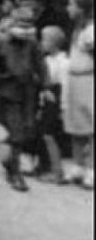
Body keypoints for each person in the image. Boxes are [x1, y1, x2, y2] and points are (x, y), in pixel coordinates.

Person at [0, 0, 42, 191]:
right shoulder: (1, 43)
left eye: (28, 25)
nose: (24, 30)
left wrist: (46, 87)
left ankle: (12, 165)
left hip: (27, 92)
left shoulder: (32, 44)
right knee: (13, 133)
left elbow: (40, 65)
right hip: (6, 93)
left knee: (25, 131)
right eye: (20, 25)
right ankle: (15, 172)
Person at [65, 0, 94, 189]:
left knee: (91, 125)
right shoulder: (76, 29)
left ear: (81, 9)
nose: (68, 8)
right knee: (77, 125)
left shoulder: (91, 30)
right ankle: (78, 166)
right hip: (74, 80)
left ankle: (91, 169)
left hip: (88, 80)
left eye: (71, 4)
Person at [36, 24, 69, 184]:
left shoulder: (63, 62)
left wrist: (63, 106)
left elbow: (64, 85)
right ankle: (45, 166)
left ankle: (57, 171)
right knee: (44, 133)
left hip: (57, 97)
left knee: (50, 134)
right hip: (48, 99)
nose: (41, 43)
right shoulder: (46, 60)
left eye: (44, 40)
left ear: (53, 43)